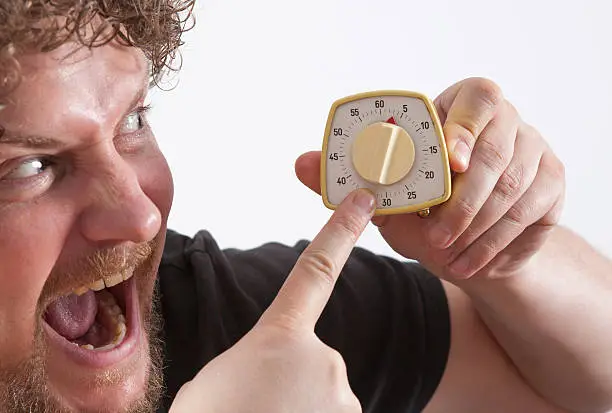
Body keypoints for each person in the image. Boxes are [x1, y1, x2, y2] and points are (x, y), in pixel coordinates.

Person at [0, 2, 610, 413]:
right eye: (30, 167)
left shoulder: (221, 320)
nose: (141, 215)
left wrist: (495, 253)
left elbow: (580, 384)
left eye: (133, 120)